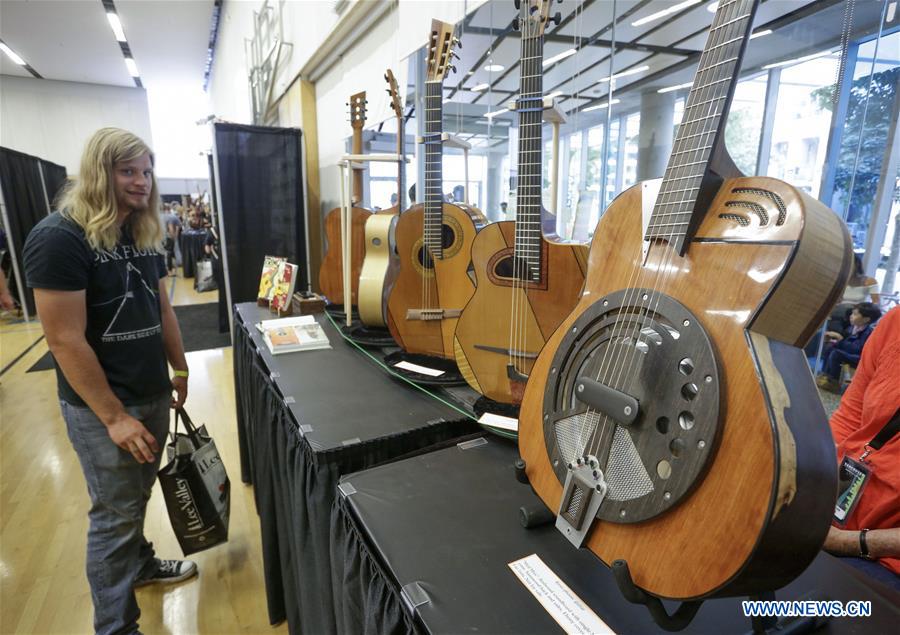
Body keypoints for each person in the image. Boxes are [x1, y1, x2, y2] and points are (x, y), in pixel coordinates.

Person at [23, 127, 196, 635]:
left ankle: (141, 565)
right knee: (115, 517)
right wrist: (115, 417)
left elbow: (160, 305)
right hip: (104, 410)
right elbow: (64, 340)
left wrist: (179, 368)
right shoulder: (58, 237)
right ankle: (115, 628)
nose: (142, 182)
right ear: (101, 172)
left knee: (135, 499)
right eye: (128, 171)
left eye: (146, 171)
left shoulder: (141, 231)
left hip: (151, 394)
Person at [824, 305, 900, 589]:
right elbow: (850, 416)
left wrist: (851, 543)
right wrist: (817, 479)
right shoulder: (895, 323)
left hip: (888, 561)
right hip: (841, 510)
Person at [816, 302, 881, 392]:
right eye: (852, 313)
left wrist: (839, 339)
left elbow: (856, 349)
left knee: (836, 354)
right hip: (849, 353)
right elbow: (844, 342)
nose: (851, 316)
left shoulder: (868, 333)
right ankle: (825, 375)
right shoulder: (852, 328)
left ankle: (834, 381)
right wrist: (833, 341)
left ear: (866, 319)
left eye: (855, 314)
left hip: (859, 357)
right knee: (830, 348)